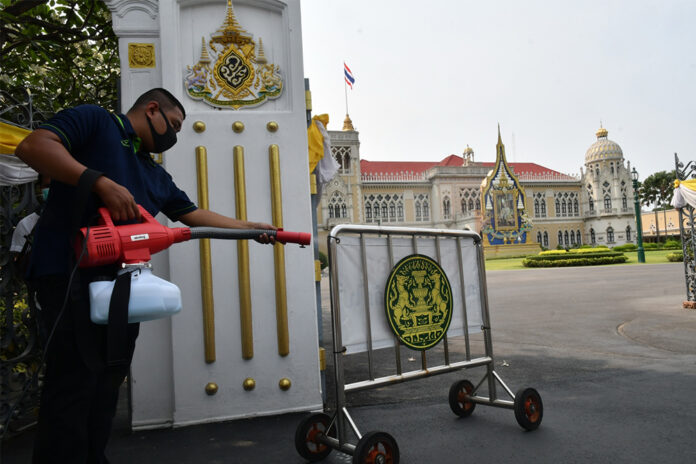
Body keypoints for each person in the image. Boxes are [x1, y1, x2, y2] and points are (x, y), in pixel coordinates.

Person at [15, 88, 275, 463]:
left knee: (106, 387)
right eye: (173, 125)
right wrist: (99, 182)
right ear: (152, 109)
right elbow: (33, 146)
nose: (174, 136)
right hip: (68, 279)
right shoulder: (96, 122)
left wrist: (249, 227)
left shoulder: (154, 173)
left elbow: (191, 213)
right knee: (72, 386)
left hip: (123, 291)